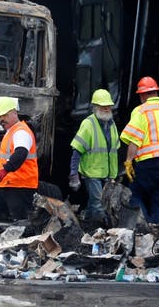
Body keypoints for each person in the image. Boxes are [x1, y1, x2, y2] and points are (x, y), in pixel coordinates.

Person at [120, 76, 159, 227]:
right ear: (156, 92)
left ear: (142, 94)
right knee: (158, 200)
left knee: (135, 194)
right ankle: (157, 232)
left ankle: (144, 228)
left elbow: (134, 139)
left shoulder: (141, 111)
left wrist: (128, 162)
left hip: (148, 164)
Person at [0, 97, 38, 230]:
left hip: (20, 185)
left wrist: (5, 170)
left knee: (21, 223)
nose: (1, 119)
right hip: (6, 184)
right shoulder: (11, 132)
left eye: (4, 115)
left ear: (14, 113)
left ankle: (23, 249)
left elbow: (21, 153)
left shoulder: (21, 132)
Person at [68, 89, 120, 223]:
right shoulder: (88, 124)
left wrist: (115, 176)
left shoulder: (112, 124)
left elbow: (114, 152)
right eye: (103, 106)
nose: (107, 108)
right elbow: (76, 150)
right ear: (95, 107)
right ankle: (100, 231)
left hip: (108, 174)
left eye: (108, 106)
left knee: (97, 204)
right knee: (99, 204)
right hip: (92, 172)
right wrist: (74, 175)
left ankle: (87, 225)